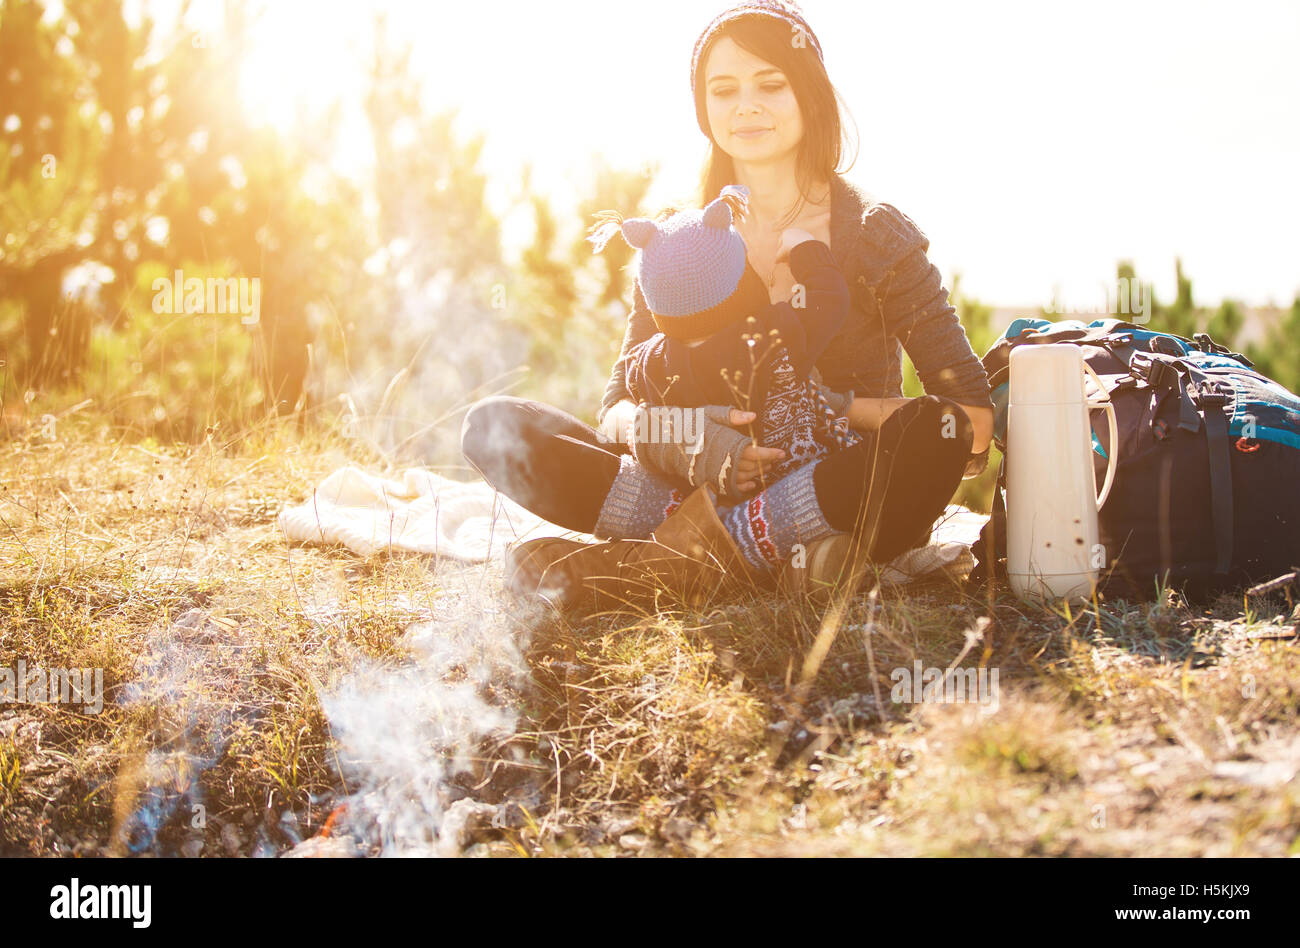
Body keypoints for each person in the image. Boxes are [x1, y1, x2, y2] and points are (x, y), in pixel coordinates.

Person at [460, 0, 993, 610]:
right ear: (703, 107)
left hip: (831, 482)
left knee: (936, 432)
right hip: (684, 480)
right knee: (495, 428)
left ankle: (668, 561)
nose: (746, 105)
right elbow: (616, 412)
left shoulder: (873, 233)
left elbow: (971, 423)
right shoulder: (678, 238)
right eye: (724, 89)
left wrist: (837, 410)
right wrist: (690, 439)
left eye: (771, 84)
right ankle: (750, 555)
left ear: (809, 96)